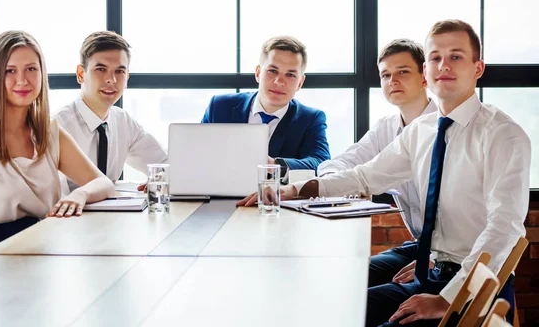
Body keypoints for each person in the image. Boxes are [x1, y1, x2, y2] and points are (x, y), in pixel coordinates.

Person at [250, 20, 529, 326]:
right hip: (432, 273)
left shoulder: (504, 135)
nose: (444, 65)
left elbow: (504, 228)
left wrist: (446, 299)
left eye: (456, 56)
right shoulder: (422, 131)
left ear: (478, 68)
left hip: (471, 290)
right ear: (427, 71)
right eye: (435, 57)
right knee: (335, 306)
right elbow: (364, 177)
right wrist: (296, 190)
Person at [0, 30, 115, 259]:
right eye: (10, 71)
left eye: (31, 69)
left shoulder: (48, 133)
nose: (22, 80)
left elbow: (103, 183)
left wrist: (79, 195)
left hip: (40, 258)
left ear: (42, 73)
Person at [317, 38, 436, 288]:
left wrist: (438, 258)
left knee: (361, 294)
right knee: (348, 277)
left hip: (448, 254)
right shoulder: (386, 127)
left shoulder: (443, 127)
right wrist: (333, 182)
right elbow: (341, 162)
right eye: (385, 75)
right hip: (418, 245)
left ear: (425, 76)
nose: (392, 81)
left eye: (402, 72)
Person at [201, 36, 330, 177]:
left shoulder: (310, 119)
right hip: (218, 193)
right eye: (273, 71)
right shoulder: (219, 107)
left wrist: (272, 164)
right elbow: (197, 153)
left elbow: (321, 163)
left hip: (275, 197)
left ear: (300, 83)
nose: (279, 81)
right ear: (258, 73)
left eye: (290, 75)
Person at [54, 31, 167, 193]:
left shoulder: (122, 121)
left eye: (119, 71)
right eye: (101, 69)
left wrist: (160, 179)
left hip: (113, 216)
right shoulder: (59, 126)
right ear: (80, 74)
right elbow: (57, 200)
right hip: (73, 216)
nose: (111, 80)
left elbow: (164, 164)